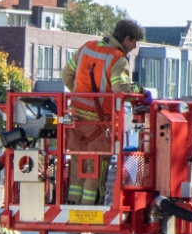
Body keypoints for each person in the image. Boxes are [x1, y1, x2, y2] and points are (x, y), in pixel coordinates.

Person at [60, 19, 147, 205]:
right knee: (95, 169)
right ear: (126, 38)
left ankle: (73, 206)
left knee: (77, 167)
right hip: (99, 125)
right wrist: (140, 92)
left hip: (75, 119)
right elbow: (121, 89)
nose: (134, 47)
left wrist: (79, 96)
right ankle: (89, 212)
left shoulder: (87, 47)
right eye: (134, 42)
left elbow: (67, 75)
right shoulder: (118, 59)